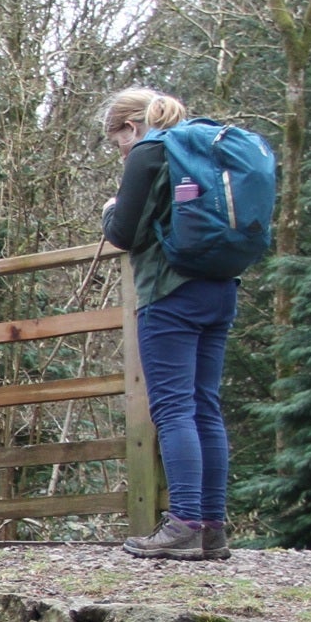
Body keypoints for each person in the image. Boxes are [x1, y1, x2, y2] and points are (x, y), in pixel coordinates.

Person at [103, 87, 237, 562]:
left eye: (116, 136)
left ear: (131, 126)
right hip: (220, 288)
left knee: (174, 409)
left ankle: (183, 525)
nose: (118, 147)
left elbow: (122, 233)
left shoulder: (150, 151)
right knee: (205, 406)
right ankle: (211, 528)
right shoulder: (203, 146)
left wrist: (110, 211)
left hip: (169, 292)